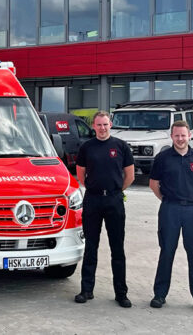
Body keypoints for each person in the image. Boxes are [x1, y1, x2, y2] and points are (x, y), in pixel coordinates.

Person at [148, 120, 193, 314]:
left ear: (189, 135)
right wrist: (168, 201)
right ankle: (160, 294)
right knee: (167, 251)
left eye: (183, 135)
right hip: (170, 210)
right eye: (177, 135)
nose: (180, 139)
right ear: (171, 136)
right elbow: (153, 184)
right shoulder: (163, 158)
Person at [74, 110, 134, 308]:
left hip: (114, 201)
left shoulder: (121, 146)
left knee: (118, 248)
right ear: (94, 126)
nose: (102, 128)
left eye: (105, 125)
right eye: (99, 125)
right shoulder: (86, 147)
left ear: (111, 125)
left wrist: (115, 191)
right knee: (91, 246)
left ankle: (121, 293)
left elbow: (130, 176)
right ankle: (86, 290)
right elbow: (81, 175)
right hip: (93, 201)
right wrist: (95, 189)